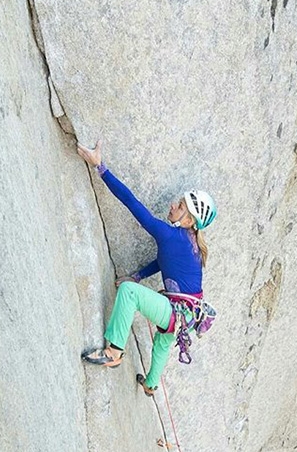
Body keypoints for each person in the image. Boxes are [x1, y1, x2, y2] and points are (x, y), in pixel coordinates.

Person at [77, 140, 216, 396]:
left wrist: (101, 168)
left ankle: (114, 352)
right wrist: (138, 275)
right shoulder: (189, 242)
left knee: (129, 292)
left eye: (181, 206)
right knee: (163, 342)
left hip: (177, 312)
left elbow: (132, 203)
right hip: (184, 315)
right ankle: (151, 385)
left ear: (189, 220)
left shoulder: (171, 236)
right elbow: (165, 262)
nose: (174, 205)